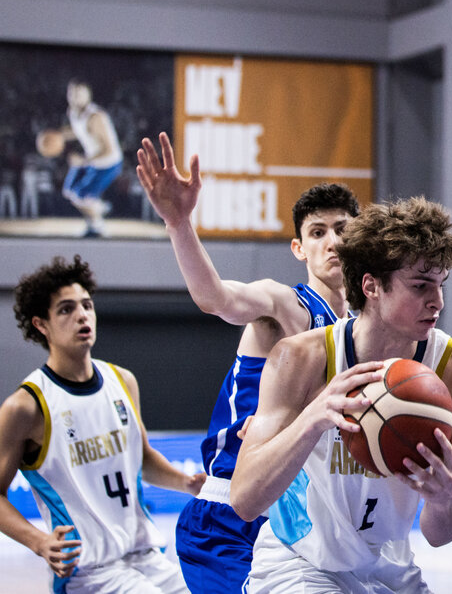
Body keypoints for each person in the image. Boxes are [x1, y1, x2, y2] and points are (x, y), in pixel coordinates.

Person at [136, 131, 360, 593]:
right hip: (230, 518)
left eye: (342, 229)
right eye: (317, 233)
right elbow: (215, 297)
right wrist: (179, 223)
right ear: (299, 249)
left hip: (301, 520)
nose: (331, 241)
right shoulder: (284, 305)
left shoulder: (363, 329)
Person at [229, 197, 452, 594]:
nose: (437, 301)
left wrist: (441, 500)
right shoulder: (301, 358)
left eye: (440, 285)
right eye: (420, 286)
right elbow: (244, 500)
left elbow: (441, 534)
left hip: (389, 566)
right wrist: (313, 417)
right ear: (371, 286)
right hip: (299, 562)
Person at [0, 255, 204, 592]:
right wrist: (39, 541)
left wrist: (186, 482)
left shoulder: (122, 380)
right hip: (88, 571)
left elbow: (140, 458)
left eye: (87, 305)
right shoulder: (26, 406)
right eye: (66, 309)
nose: (82, 315)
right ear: (41, 325)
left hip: (145, 556)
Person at [53, 79, 124, 237]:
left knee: (81, 195)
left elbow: (109, 150)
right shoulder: (72, 112)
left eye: (79, 94)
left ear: (88, 96)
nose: (75, 97)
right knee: (69, 191)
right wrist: (59, 136)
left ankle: (98, 226)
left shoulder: (97, 117)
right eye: (72, 93)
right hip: (91, 159)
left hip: (108, 162)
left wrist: (84, 161)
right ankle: (97, 206)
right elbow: (79, 130)